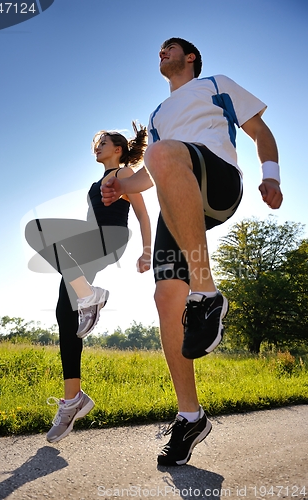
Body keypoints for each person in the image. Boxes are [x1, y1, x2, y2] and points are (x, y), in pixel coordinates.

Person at [101, 38, 283, 466]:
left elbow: (261, 131)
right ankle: (190, 416)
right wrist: (120, 186)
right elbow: (151, 173)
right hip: (177, 198)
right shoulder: (158, 115)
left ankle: (208, 292)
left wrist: (271, 177)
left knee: (165, 152)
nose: (161, 53)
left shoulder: (216, 85)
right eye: (159, 50)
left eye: (170, 48)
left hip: (218, 181)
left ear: (191, 58)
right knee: (166, 298)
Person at [25, 122, 151, 443]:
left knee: (38, 229)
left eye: (104, 142)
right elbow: (89, 221)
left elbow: (142, 213)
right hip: (90, 243)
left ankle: (90, 296)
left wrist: (147, 250)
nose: (97, 146)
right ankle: (73, 400)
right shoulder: (94, 185)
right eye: (97, 143)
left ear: (118, 149)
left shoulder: (123, 175)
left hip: (111, 239)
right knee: (64, 316)